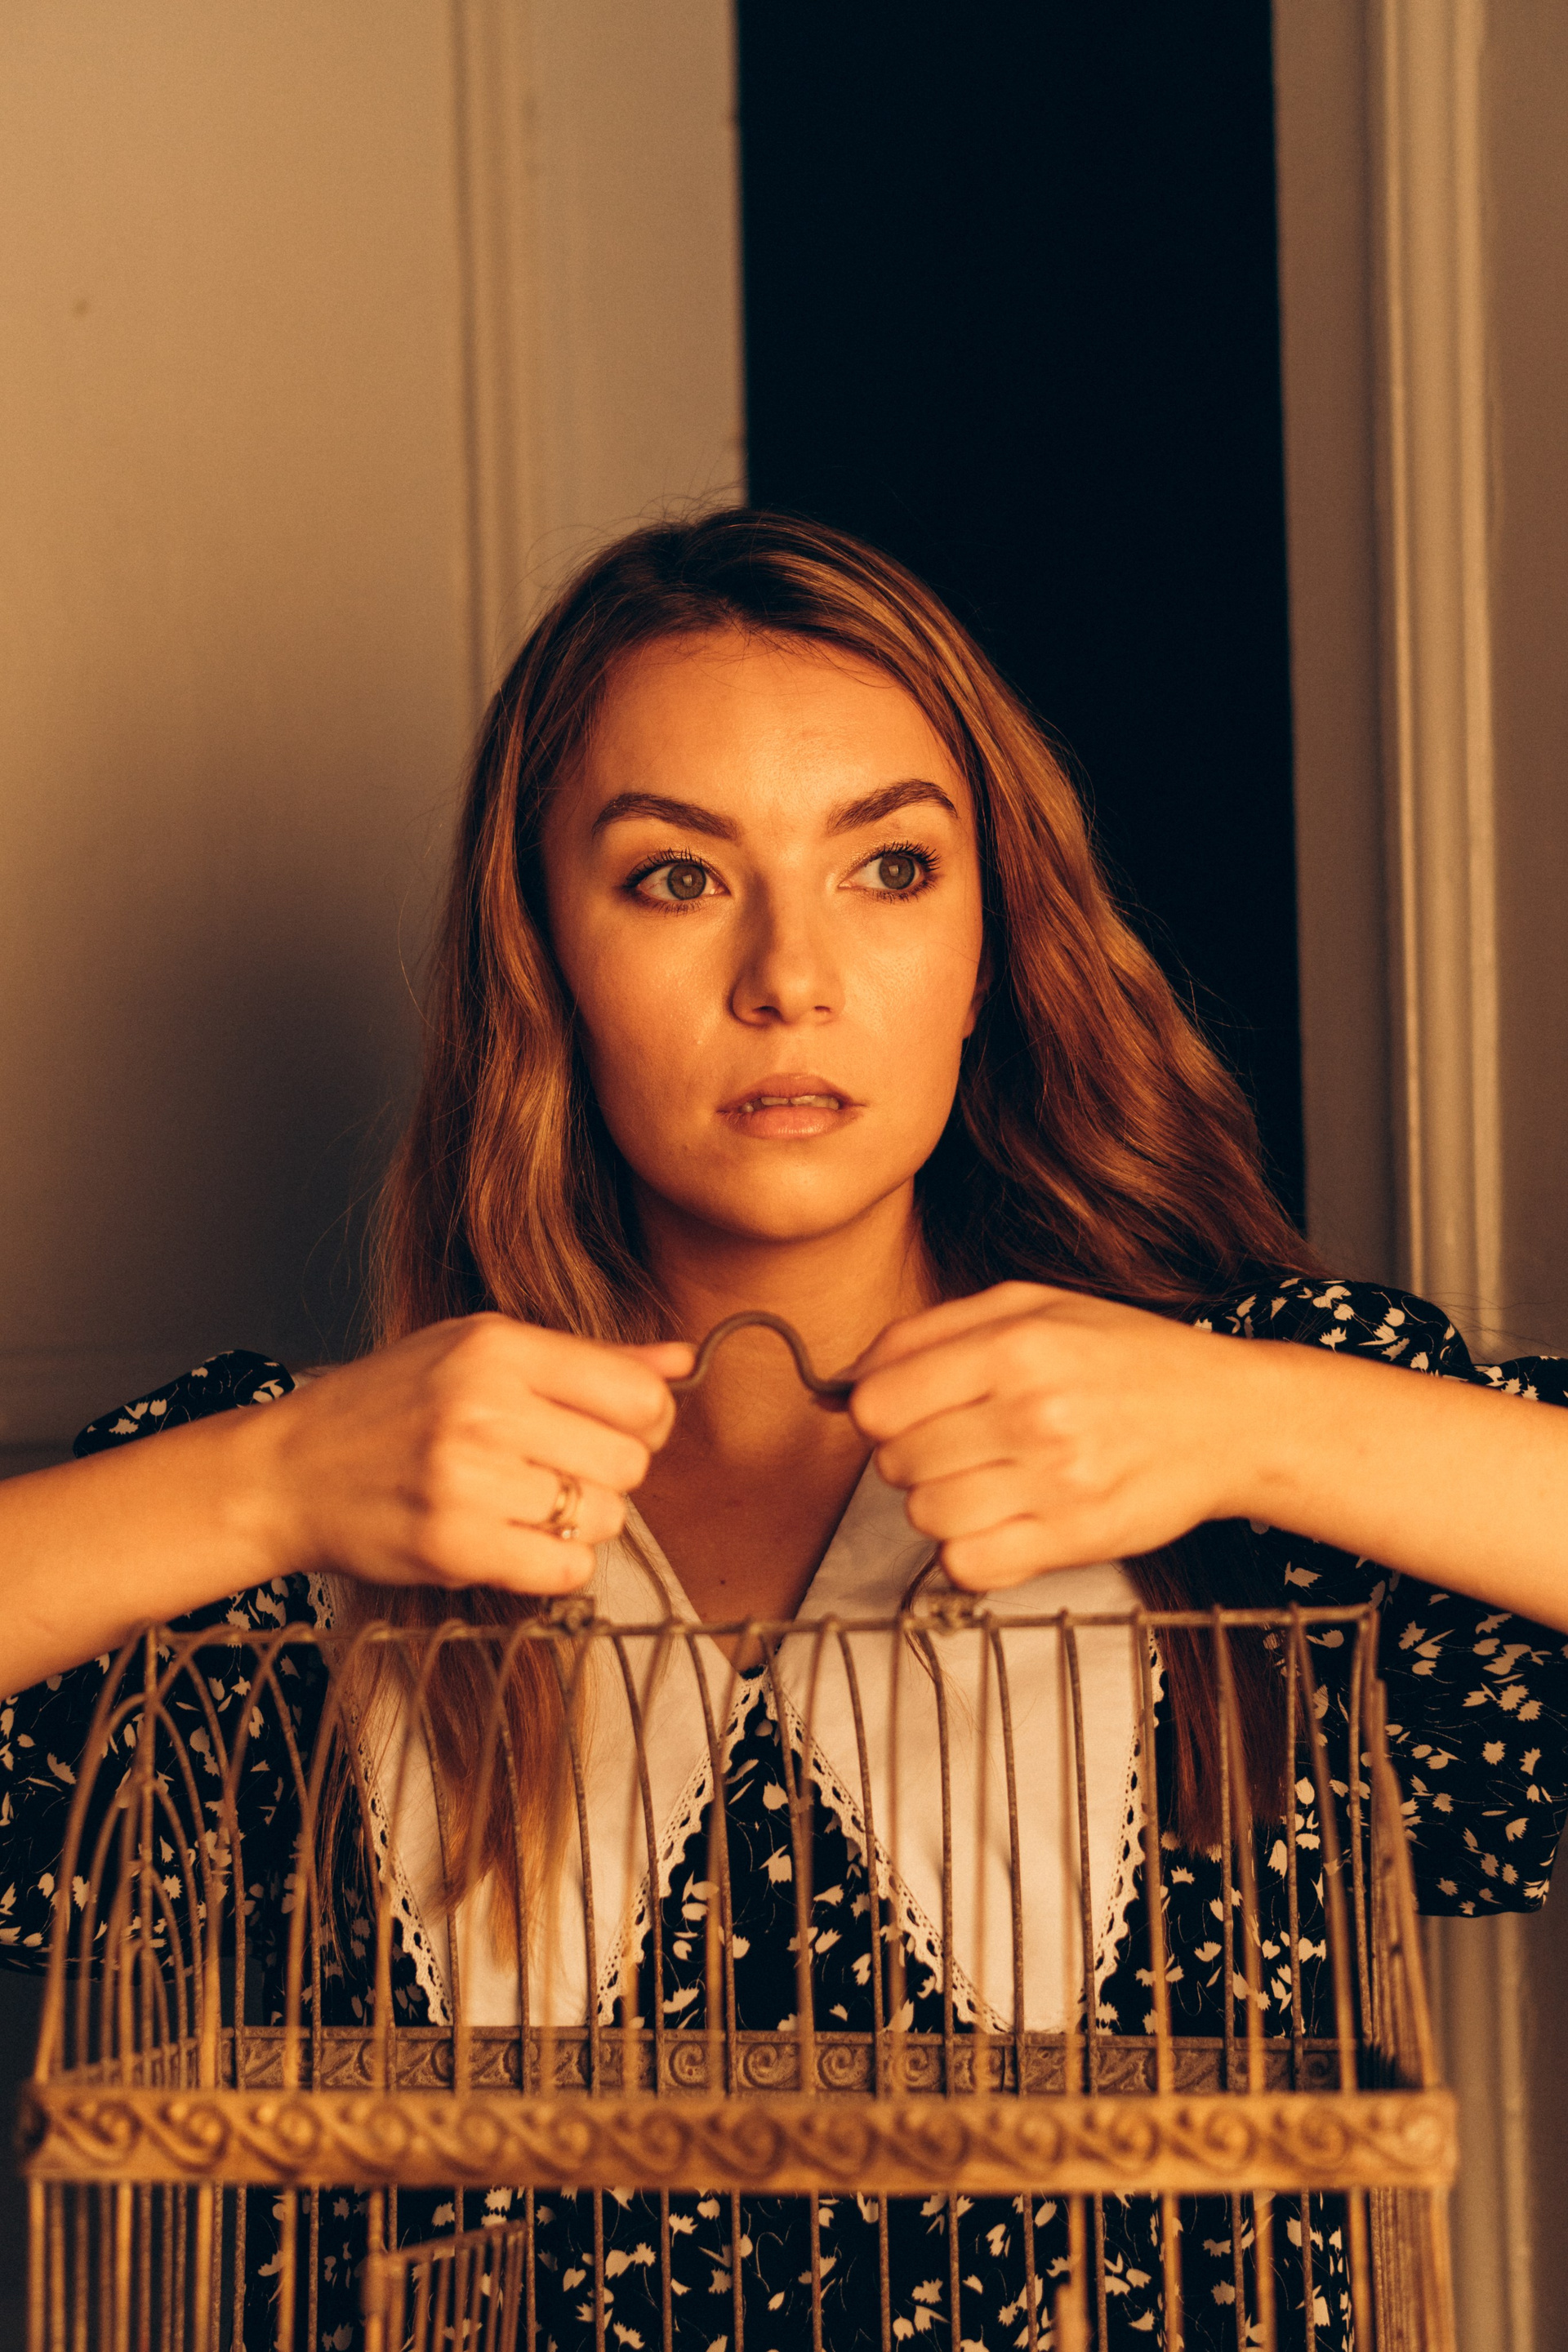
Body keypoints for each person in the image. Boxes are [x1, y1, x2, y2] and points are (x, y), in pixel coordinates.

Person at [2, 510, 1566, 2351]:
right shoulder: (302, 1520)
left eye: (889, 868)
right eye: (676, 878)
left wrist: (1258, 1420)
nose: (790, 977)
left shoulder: (1268, 1468)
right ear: (541, 959)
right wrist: (267, 1482)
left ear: (992, 947)